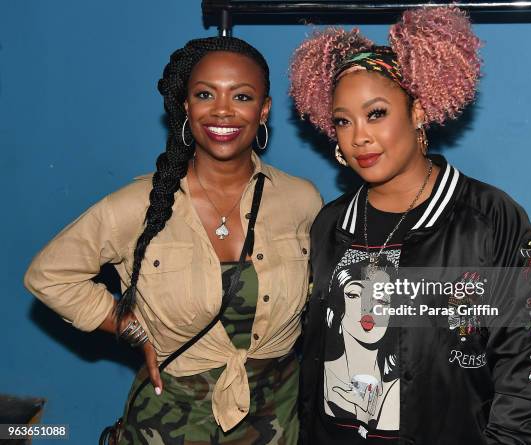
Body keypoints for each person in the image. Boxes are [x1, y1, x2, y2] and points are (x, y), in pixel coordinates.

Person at [24, 36, 322, 444]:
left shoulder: (301, 200)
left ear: (264, 109)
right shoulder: (136, 206)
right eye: (205, 94)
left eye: (242, 96)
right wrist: (130, 329)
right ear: (186, 106)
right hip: (170, 424)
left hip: (278, 422)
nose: (222, 110)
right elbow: (49, 276)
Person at [289, 7, 531, 444]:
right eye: (343, 120)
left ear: (418, 110)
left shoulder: (488, 219)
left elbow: (528, 366)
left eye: (376, 113)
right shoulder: (331, 223)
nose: (358, 136)